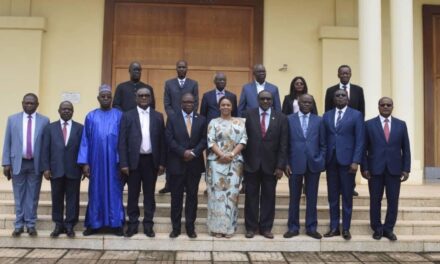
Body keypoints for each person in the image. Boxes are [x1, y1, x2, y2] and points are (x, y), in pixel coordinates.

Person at [78, 84, 125, 236]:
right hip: (96, 162)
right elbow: (85, 140)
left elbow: (123, 140)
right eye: (103, 96)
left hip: (114, 162)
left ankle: (116, 224)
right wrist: (85, 163)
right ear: (98, 98)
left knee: (114, 191)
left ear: (112, 99)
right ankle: (94, 224)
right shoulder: (91, 116)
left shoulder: (119, 115)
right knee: (96, 191)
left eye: (108, 97)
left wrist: (122, 162)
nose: (105, 99)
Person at [361, 97, 410, 241]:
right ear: (378, 107)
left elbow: (406, 149)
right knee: (375, 200)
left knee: (393, 200)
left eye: (389, 105)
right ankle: (377, 228)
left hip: (394, 170)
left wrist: (406, 168)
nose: (386, 107)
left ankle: (388, 229)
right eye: (383, 105)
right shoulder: (368, 125)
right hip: (375, 170)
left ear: (392, 107)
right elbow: (363, 149)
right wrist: (364, 168)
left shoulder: (401, 125)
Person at [119, 87, 166, 238]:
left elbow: (162, 141)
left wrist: (162, 163)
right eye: (141, 95)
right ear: (136, 98)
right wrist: (124, 163)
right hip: (133, 162)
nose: (144, 98)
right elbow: (122, 142)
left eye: (147, 95)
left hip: (151, 161)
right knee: (132, 195)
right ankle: (132, 225)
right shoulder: (127, 116)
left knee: (149, 195)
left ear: (151, 98)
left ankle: (148, 225)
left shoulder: (158, 116)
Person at [2, 93, 49, 237]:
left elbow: (47, 145)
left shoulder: (44, 121)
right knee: (19, 194)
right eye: (26, 103)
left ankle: (30, 224)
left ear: (37, 105)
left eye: (32, 103)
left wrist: (46, 165)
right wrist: (6, 163)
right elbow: (7, 142)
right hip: (18, 162)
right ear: (22, 103)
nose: (29, 105)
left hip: (36, 163)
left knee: (33, 195)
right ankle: (18, 225)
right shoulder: (12, 119)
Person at [243, 90, 288, 239]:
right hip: (251, 164)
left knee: (269, 197)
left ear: (273, 100)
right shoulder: (248, 114)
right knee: (251, 197)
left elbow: (283, 144)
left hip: (271, 165)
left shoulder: (281, 117)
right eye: (263, 99)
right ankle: (250, 227)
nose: (266, 101)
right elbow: (243, 139)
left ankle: (266, 228)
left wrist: (280, 166)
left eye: (268, 99)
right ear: (258, 99)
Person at [322, 89, 364, 240]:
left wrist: (356, 161)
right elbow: (323, 140)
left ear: (347, 99)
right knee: (332, 197)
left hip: (348, 163)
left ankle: (346, 228)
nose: (340, 98)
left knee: (347, 196)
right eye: (337, 96)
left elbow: (360, 140)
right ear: (334, 99)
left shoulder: (356, 115)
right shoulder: (326, 116)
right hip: (331, 162)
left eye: (343, 95)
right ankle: (334, 227)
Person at [284, 94, 326, 240]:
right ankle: (293, 227)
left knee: (312, 197)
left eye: (309, 102)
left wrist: (320, 159)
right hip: (295, 164)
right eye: (304, 102)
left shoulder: (319, 120)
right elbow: (285, 144)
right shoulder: (289, 119)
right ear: (299, 103)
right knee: (294, 197)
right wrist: (286, 163)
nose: (307, 104)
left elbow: (323, 144)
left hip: (313, 164)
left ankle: (311, 227)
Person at [166, 93, 207, 238]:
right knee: (176, 198)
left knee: (192, 197)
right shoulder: (172, 118)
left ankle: (190, 227)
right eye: (185, 102)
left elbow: (204, 140)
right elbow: (169, 139)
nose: (188, 104)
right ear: (181, 103)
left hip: (194, 165)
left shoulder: (202, 119)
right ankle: (176, 228)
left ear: (195, 103)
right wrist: (183, 152)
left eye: (191, 102)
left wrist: (194, 152)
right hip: (177, 163)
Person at [41, 101, 83, 238]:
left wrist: (84, 166)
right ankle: (58, 224)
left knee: (73, 199)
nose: (66, 111)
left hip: (74, 170)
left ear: (73, 111)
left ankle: (70, 224)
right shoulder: (50, 128)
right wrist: (46, 168)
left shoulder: (80, 128)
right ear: (58, 110)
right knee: (57, 198)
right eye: (64, 109)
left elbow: (83, 150)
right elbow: (45, 149)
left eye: (69, 109)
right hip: (56, 170)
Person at [206, 96, 247, 238]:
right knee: (217, 196)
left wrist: (231, 154)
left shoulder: (241, 122)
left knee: (231, 196)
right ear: (219, 107)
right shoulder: (213, 122)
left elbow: (243, 140)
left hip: (234, 163)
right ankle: (217, 228)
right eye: (223, 104)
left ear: (232, 107)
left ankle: (229, 228)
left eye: (228, 105)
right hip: (216, 163)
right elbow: (210, 141)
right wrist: (222, 155)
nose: (225, 107)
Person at [324, 65, 365, 197]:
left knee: (349, 167)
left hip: (351, 132)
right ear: (338, 74)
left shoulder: (358, 90)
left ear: (351, 74)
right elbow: (327, 111)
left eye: (347, 73)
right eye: (342, 73)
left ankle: (350, 188)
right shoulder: (331, 91)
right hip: (335, 131)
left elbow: (361, 110)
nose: (345, 75)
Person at [161, 59, 199, 194]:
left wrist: (185, 117)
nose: (182, 69)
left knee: (186, 148)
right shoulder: (169, 83)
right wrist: (175, 118)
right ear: (176, 68)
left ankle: (184, 183)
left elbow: (195, 103)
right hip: (172, 121)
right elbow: (167, 103)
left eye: (184, 67)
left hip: (189, 121)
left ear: (187, 68)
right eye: (179, 67)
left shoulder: (193, 84)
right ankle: (168, 183)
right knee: (171, 151)